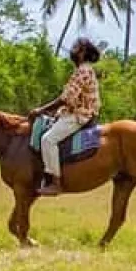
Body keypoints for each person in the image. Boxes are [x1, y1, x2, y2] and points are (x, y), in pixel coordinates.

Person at [32, 38, 101, 196]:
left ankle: (56, 183)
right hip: (73, 112)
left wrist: (40, 110)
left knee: (47, 140)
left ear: (83, 53)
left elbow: (66, 98)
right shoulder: (84, 69)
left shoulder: (83, 71)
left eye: (77, 48)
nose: (73, 50)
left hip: (80, 115)